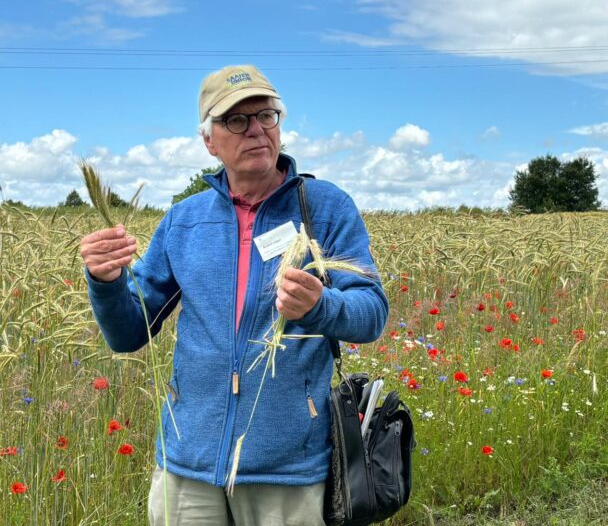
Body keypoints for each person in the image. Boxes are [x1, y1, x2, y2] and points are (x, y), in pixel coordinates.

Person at [80, 65, 389, 525]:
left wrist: (321, 306)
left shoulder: (325, 208)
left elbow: (372, 312)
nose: (257, 131)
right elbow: (129, 333)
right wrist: (105, 283)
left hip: (288, 472)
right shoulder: (185, 221)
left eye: (267, 115)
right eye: (236, 120)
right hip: (189, 469)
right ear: (209, 139)